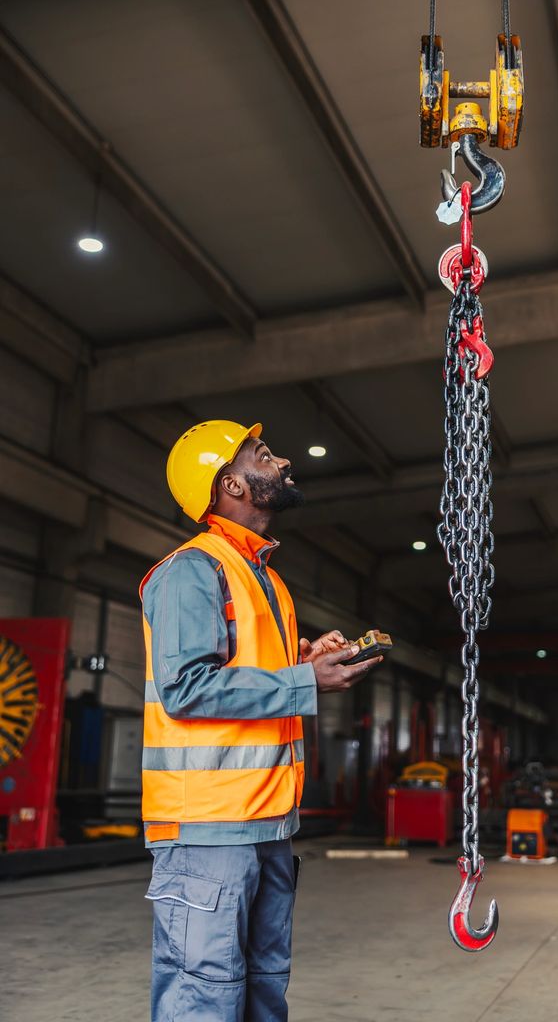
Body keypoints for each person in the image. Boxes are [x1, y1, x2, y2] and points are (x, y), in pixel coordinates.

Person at [139, 420, 382, 1021]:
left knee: (263, 988)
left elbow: (245, 673)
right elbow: (187, 688)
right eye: (264, 455)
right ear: (232, 486)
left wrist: (305, 659)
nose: (283, 461)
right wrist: (306, 681)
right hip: (207, 828)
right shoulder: (192, 570)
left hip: (267, 823)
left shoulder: (265, 577)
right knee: (207, 994)